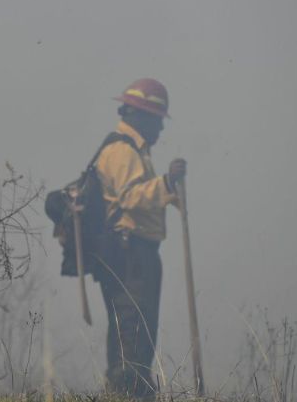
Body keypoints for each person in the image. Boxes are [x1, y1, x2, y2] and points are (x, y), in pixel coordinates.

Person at [94, 78, 185, 398]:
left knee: (139, 330)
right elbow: (130, 197)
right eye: (157, 120)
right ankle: (127, 390)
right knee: (132, 329)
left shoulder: (135, 151)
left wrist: (168, 189)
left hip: (137, 252)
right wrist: (167, 183)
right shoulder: (122, 150)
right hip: (130, 252)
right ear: (139, 116)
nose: (160, 129)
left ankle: (133, 388)